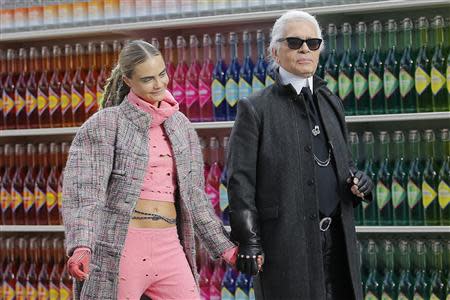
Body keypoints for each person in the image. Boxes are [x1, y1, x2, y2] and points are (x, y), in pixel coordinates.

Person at [62, 40, 237, 300]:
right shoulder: (107, 123)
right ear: (128, 80)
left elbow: (195, 199)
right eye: (147, 79)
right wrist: (81, 245)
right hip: (122, 247)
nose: (159, 84)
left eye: (162, 74)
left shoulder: (181, 126)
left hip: (169, 245)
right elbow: (84, 191)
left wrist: (226, 249)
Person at [227, 10, 374, 300]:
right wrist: (248, 241)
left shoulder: (331, 101)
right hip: (286, 243)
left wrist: (361, 184)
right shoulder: (255, 108)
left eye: (313, 42)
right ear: (274, 51)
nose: (305, 48)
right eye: (294, 42)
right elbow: (239, 182)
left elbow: (345, 165)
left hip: (338, 239)